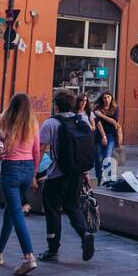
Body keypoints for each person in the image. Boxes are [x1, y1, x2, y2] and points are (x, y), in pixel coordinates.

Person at [38, 90, 96, 263]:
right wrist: (86, 172)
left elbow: (41, 148)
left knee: (52, 209)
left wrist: (33, 173)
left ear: (56, 105)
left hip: (57, 174)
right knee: (73, 205)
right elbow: (84, 149)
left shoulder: (50, 123)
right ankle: (85, 232)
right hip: (77, 172)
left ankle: (52, 249)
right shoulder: (82, 120)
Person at [0, 92, 41, 276]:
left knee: (16, 211)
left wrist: (0, 153)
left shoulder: (3, 122)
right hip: (27, 169)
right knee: (10, 211)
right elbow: (36, 152)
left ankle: (28, 256)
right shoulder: (33, 124)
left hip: (10, 169)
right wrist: (34, 174)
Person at [92, 92, 121, 185]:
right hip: (99, 135)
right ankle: (99, 178)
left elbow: (114, 122)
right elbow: (98, 123)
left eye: (108, 97)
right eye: (105, 98)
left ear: (111, 98)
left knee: (107, 156)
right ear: (102, 99)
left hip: (111, 135)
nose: (107, 99)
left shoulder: (115, 108)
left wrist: (102, 115)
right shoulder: (97, 109)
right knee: (98, 159)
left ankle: (109, 180)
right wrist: (103, 136)